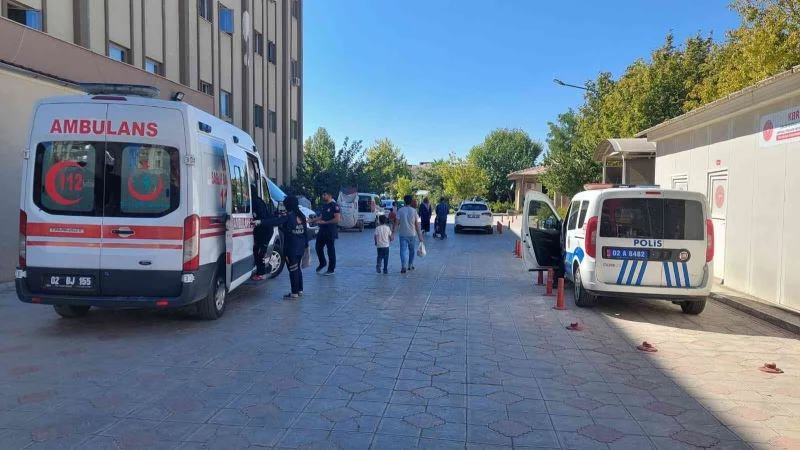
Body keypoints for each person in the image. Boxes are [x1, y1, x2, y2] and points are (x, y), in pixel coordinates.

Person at [262, 196, 309, 298]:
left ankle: (294, 293)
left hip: (291, 247)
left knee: (293, 269)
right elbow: (305, 232)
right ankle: (300, 290)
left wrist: (260, 222)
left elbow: (276, 222)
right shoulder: (301, 215)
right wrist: (306, 245)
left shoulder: (288, 215)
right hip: (300, 246)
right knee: (297, 268)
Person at [311, 190, 340, 276]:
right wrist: (312, 220)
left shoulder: (335, 206)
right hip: (322, 230)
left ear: (330, 195)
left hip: (330, 231)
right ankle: (322, 262)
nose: (323, 196)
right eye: (323, 195)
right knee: (318, 247)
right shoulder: (324, 205)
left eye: (325, 195)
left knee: (330, 250)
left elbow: (337, 219)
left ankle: (331, 269)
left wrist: (326, 222)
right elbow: (321, 216)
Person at [393, 194, 424, 274]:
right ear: (411, 202)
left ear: (404, 201)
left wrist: (393, 234)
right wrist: (420, 236)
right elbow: (417, 225)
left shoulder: (400, 210)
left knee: (402, 250)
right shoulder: (414, 211)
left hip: (403, 234)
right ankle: (410, 265)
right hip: (412, 234)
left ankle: (403, 266)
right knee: (411, 251)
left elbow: (396, 224)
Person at [250, 183, 271, 281]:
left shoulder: (255, 202)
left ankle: (261, 273)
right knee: (258, 251)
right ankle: (260, 272)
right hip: (264, 229)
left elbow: (260, 217)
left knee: (259, 252)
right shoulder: (258, 200)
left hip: (264, 230)